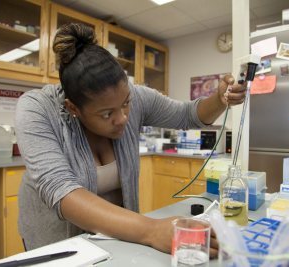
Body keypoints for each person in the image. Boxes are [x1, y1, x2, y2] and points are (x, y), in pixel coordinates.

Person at [15, 23, 246, 257]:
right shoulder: (37, 109)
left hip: (118, 236)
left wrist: (219, 99)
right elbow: (62, 192)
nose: (123, 118)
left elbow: (188, 114)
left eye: (126, 103)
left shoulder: (136, 96)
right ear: (73, 108)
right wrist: (153, 230)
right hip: (57, 244)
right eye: (107, 114)